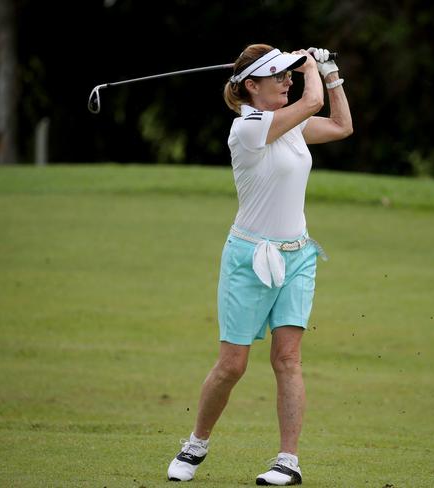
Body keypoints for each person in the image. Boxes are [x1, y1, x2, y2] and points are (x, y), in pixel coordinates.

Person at [167, 44, 353, 486]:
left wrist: (331, 74)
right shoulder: (246, 128)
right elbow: (310, 101)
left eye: (290, 74)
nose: (289, 81)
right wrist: (310, 66)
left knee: (288, 358)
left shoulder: (291, 126)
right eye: (280, 76)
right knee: (232, 365)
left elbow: (343, 126)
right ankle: (196, 442)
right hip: (249, 257)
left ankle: (288, 461)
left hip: (297, 254)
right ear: (252, 85)